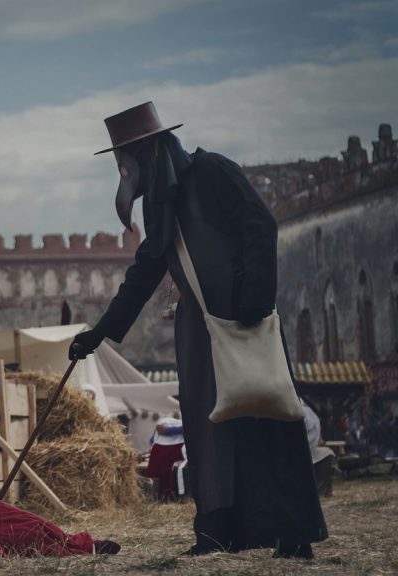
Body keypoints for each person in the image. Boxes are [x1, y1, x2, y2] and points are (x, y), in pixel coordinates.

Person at [69, 102, 327, 558]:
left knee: (266, 420)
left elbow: (259, 226)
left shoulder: (213, 172)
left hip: (245, 324)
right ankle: (217, 532)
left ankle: (292, 534)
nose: (122, 170)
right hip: (200, 333)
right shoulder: (159, 206)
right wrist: (99, 333)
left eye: (123, 159)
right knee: (210, 435)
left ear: (146, 148)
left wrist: (252, 303)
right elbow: (148, 268)